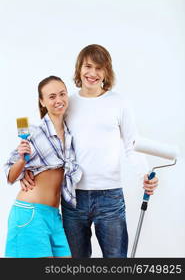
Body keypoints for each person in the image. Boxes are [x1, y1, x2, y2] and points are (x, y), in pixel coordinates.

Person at [21, 45, 158, 258]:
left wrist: (145, 175)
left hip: (110, 197)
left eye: (99, 68)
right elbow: (49, 142)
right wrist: (27, 169)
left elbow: (132, 145)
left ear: (106, 72)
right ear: (79, 68)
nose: (92, 73)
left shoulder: (119, 103)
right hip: (72, 196)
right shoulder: (67, 103)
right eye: (88, 66)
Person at [4, 75, 82, 258]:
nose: (58, 100)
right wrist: (22, 162)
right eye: (52, 96)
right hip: (30, 214)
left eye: (62, 94)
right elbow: (9, 175)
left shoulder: (70, 134)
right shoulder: (34, 131)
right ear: (42, 101)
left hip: (54, 216)